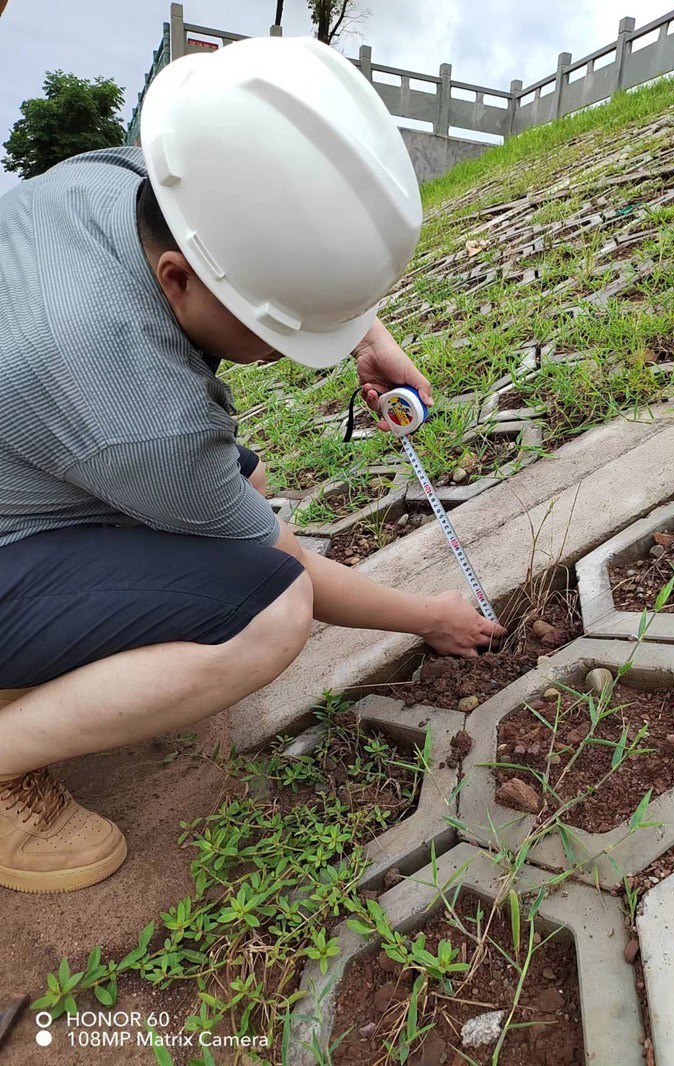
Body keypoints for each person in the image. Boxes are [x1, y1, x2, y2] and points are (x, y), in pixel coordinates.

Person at [0, 36, 504, 894]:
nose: (292, 353)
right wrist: (429, 616)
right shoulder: (145, 418)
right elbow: (287, 568)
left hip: (32, 449)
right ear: (178, 279)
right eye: (280, 330)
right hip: (52, 459)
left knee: (247, 488)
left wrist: (360, 330)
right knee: (269, 612)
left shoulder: (130, 179)